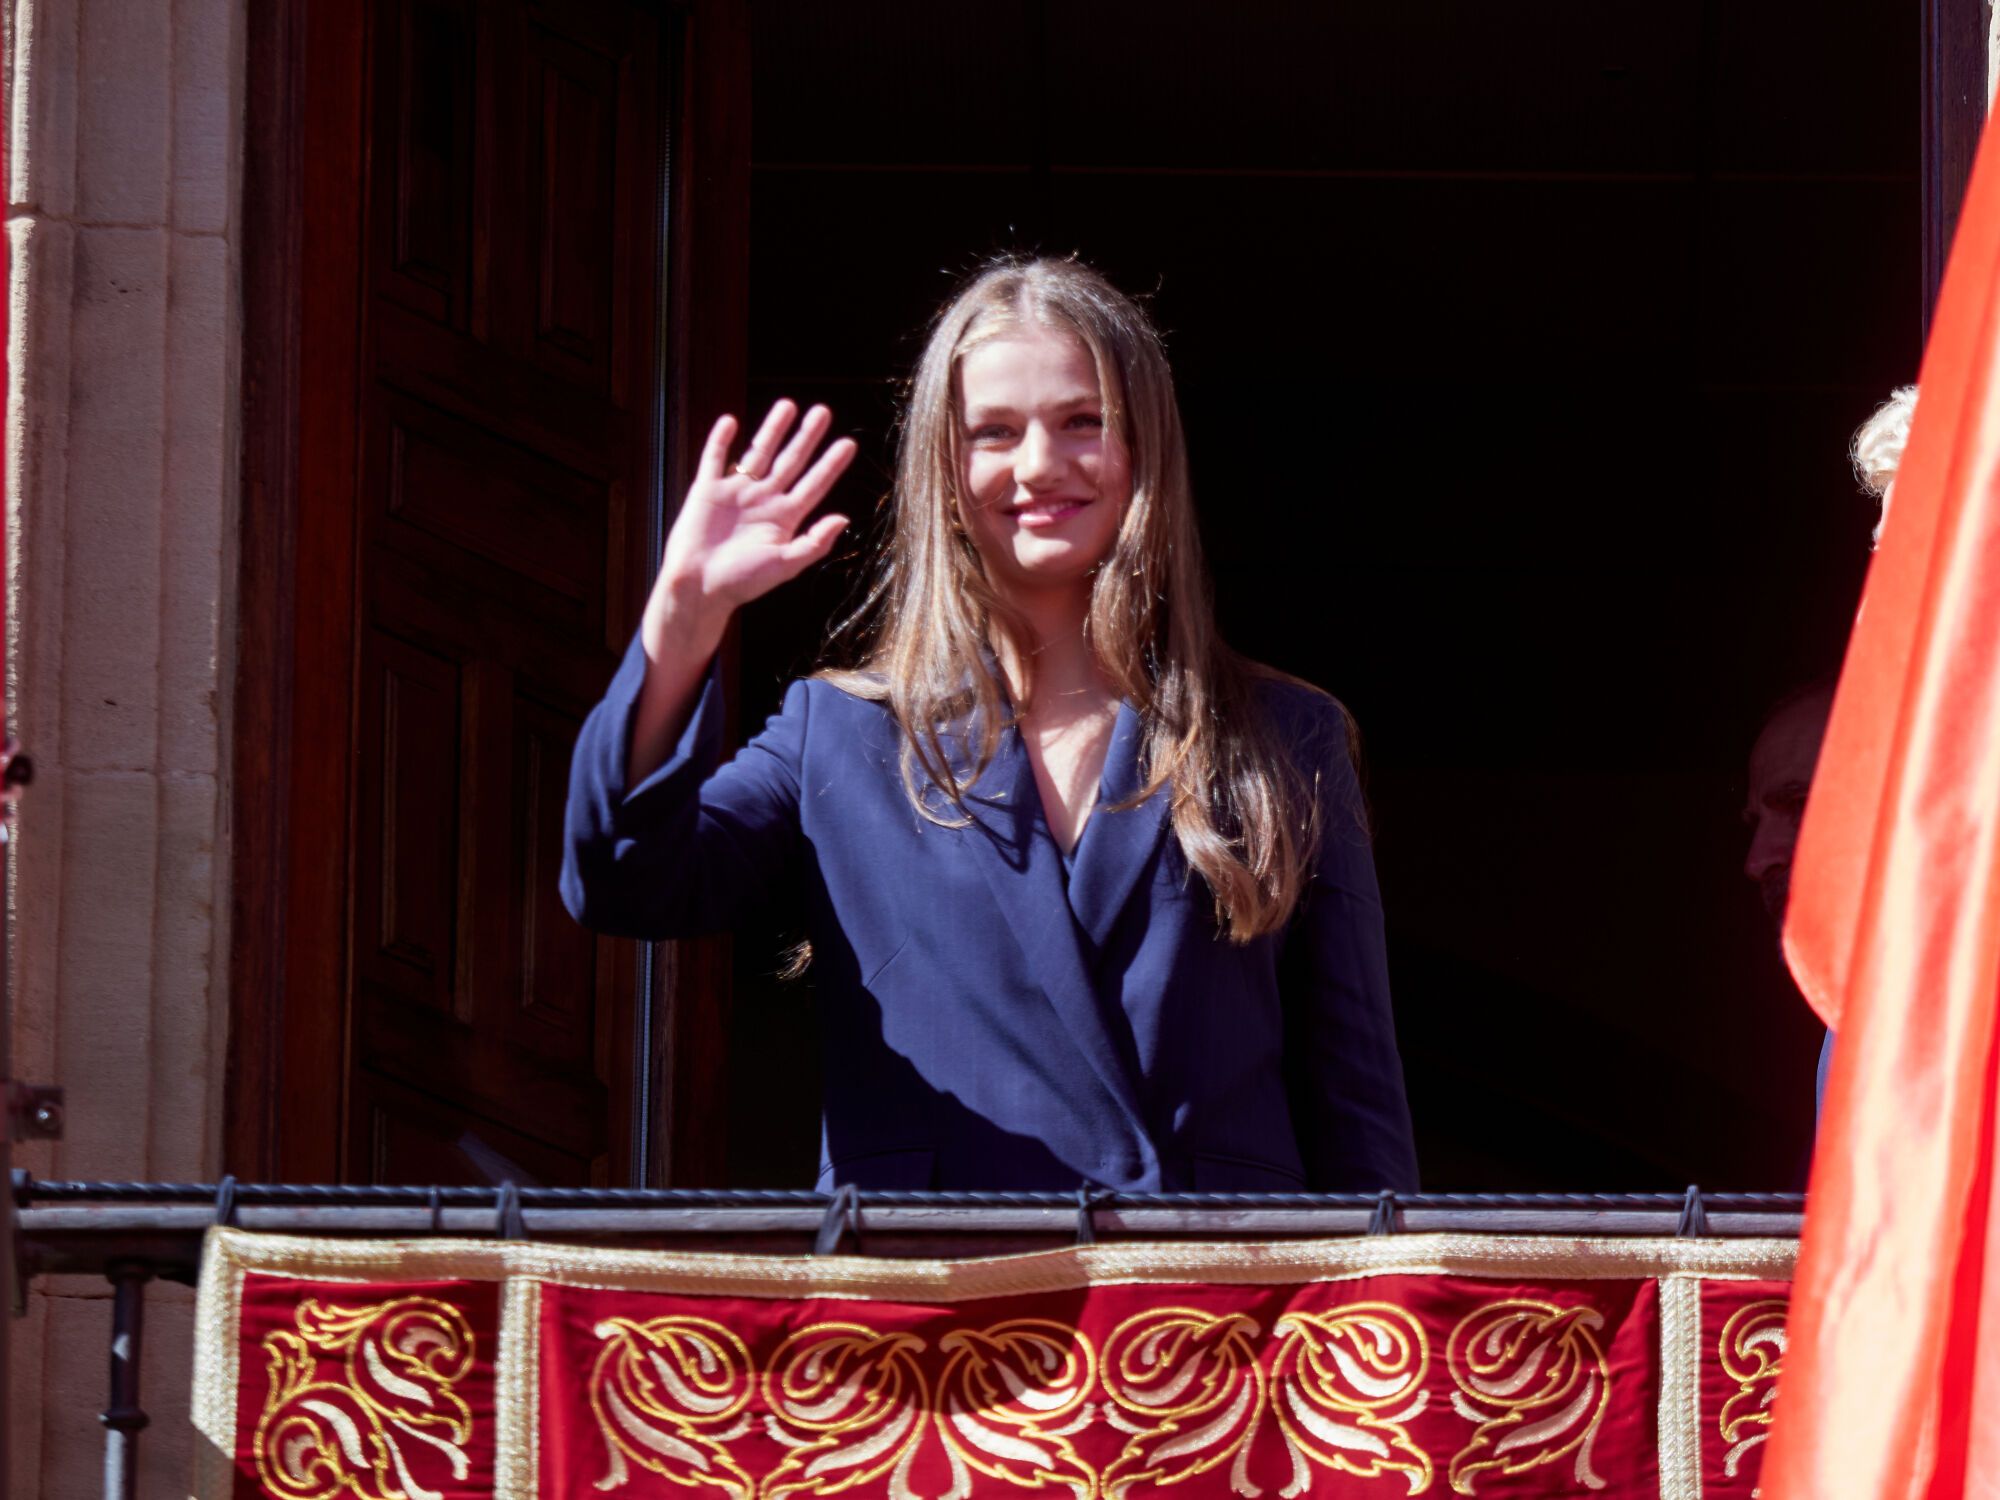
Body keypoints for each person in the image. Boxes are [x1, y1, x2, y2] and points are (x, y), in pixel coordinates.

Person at [561, 256, 1419, 1193]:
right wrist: (681, 627)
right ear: (945, 468)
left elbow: (1357, 1107)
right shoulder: (840, 736)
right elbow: (622, 880)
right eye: (994, 432)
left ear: (1148, 448)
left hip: (1203, 1315)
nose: (1039, 465)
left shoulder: (1284, 736)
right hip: (935, 1312)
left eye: (1083, 422)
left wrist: (1382, 1325)